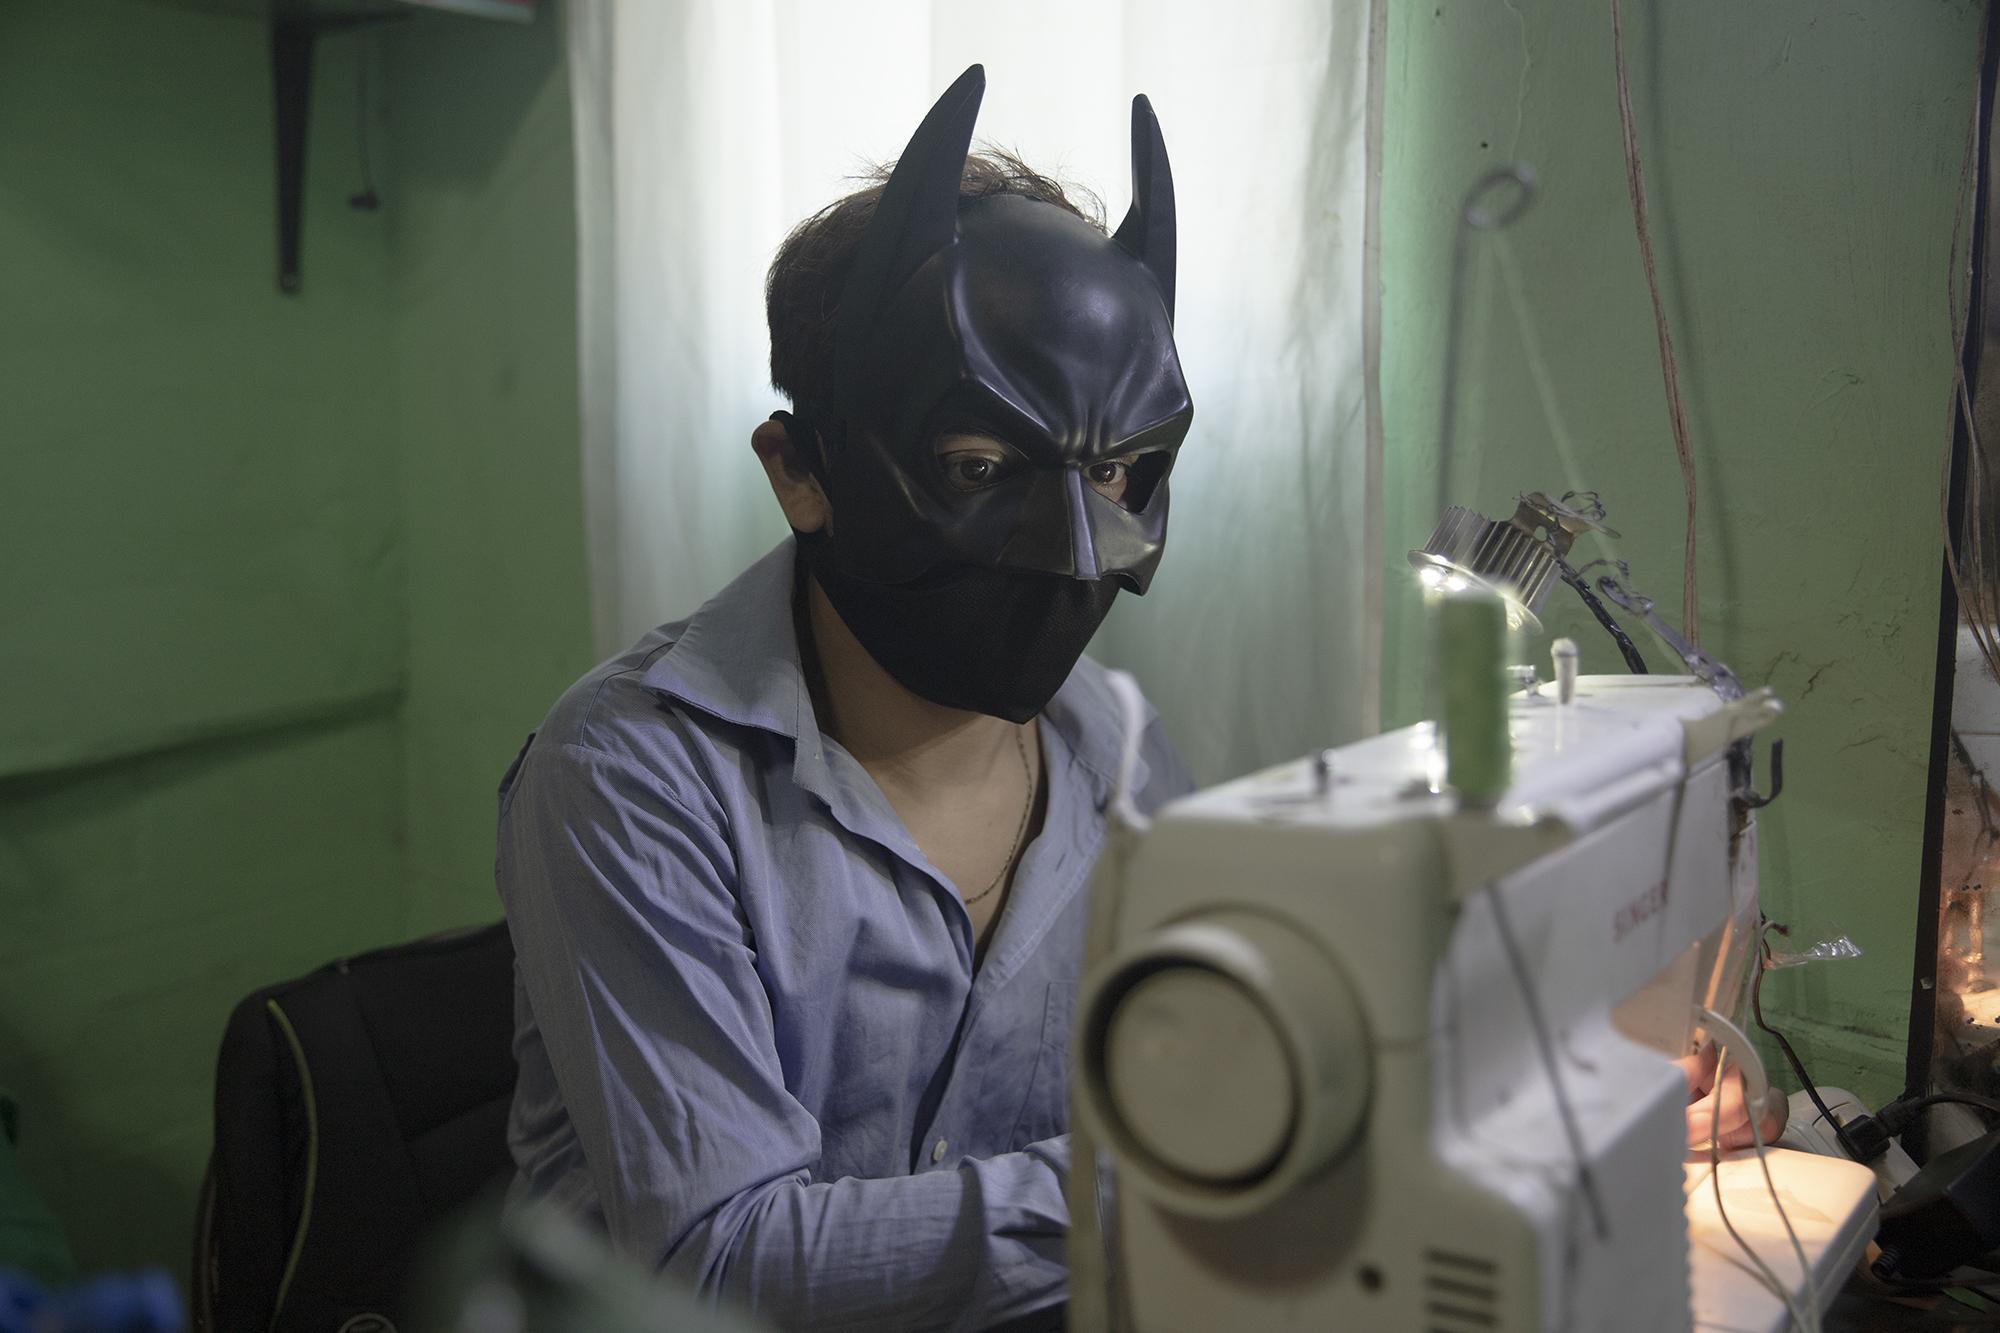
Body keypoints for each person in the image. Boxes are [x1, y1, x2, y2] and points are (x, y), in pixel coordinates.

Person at [497, 65, 1192, 1332]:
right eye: (981, 465)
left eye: (1117, 471)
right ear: (798, 470)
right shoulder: (631, 778)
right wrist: (1176, 1193)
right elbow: (723, 1260)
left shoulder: (1121, 753)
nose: (1075, 548)